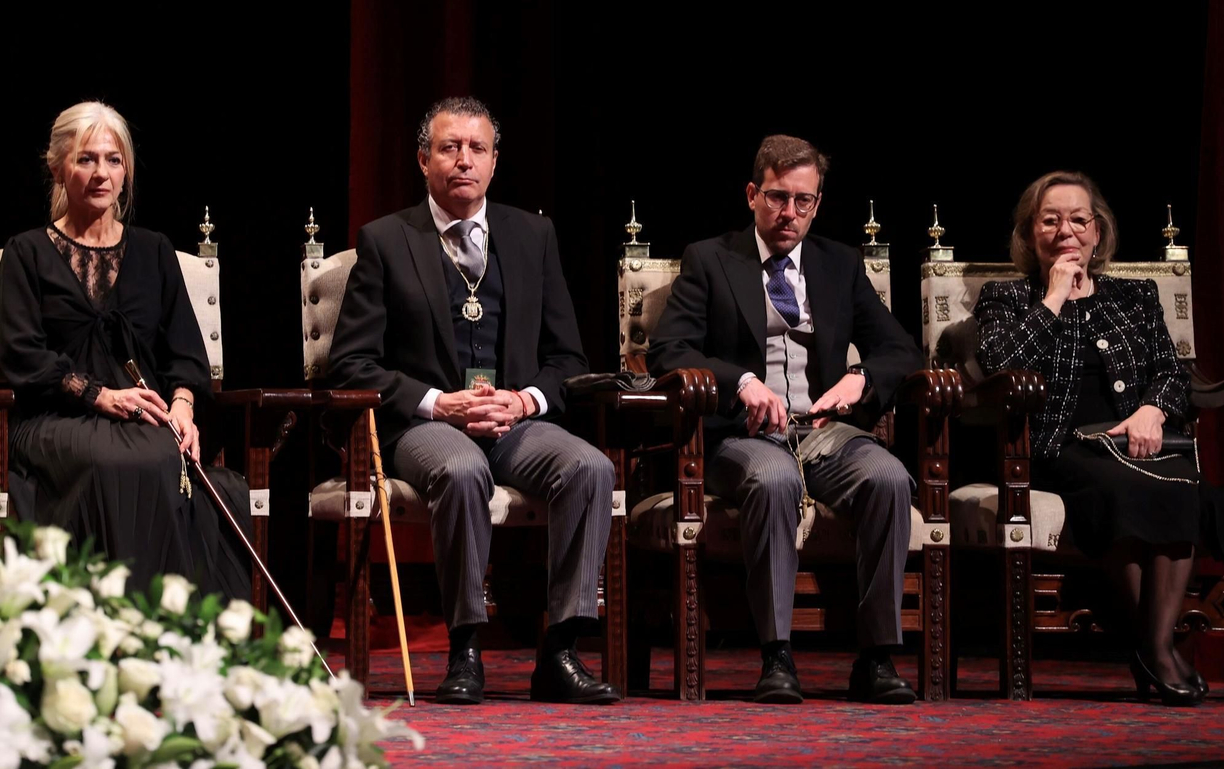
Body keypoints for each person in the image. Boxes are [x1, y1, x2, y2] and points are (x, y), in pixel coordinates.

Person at [330, 96, 619, 704]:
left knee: (590, 466)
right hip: (426, 424)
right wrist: (441, 403)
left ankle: (559, 649)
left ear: (493, 162)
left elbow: (568, 359)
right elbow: (353, 363)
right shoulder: (385, 240)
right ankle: (464, 647)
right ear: (423, 159)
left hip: (516, 423)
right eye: (449, 147)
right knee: (461, 470)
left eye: (477, 148)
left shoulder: (533, 234)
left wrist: (524, 401)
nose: (464, 160)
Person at [648, 134, 921, 704]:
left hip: (826, 432)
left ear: (817, 204)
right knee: (774, 480)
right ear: (752, 194)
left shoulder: (838, 264)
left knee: (890, 478)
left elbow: (899, 351)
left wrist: (861, 378)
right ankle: (776, 655)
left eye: (803, 201)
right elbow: (669, 350)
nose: (789, 213)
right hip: (741, 437)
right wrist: (741, 383)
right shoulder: (711, 259)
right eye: (776, 197)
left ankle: (875, 657)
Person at [975, 170, 1224, 706]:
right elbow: (1001, 366)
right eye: (1051, 219)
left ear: (1098, 231)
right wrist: (1054, 299)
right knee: (1126, 493)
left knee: (1176, 489)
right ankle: (1160, 648)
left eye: (1079, 219)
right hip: (1061, 448)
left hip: (1140, 446)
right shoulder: (1007, 298)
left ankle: (1149, 648)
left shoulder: (1135, 296)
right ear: (1029, 232)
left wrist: (1154, 409)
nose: (1067, 231)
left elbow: (1175, 373)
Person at [0, 101, 249, 598]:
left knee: (160, 458)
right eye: (86, 159)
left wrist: (183, 408)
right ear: (57, 167)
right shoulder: (26, 252)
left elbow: (186, 354)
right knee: (120, 462)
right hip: (57, 417)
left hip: (145, 416)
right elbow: (24, 354)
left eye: (113, 160)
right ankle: (108, 626)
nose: (101, 174)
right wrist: (100, 396)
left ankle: (166, 631)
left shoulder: (154, 250)